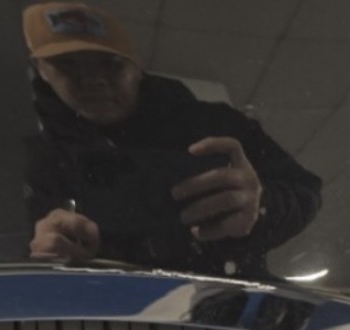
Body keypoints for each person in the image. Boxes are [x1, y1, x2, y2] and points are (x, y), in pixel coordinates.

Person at [22, 1, 322, 276]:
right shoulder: (44, 159)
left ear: (136, 67)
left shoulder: (217, 124)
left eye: (109, 62)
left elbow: (307, 192)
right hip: (111, 309)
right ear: (41, 70)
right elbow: (22, 253)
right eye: (67, 64)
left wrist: (262, 206)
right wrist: (48, 253)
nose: (92, 79)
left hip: (232, 301)